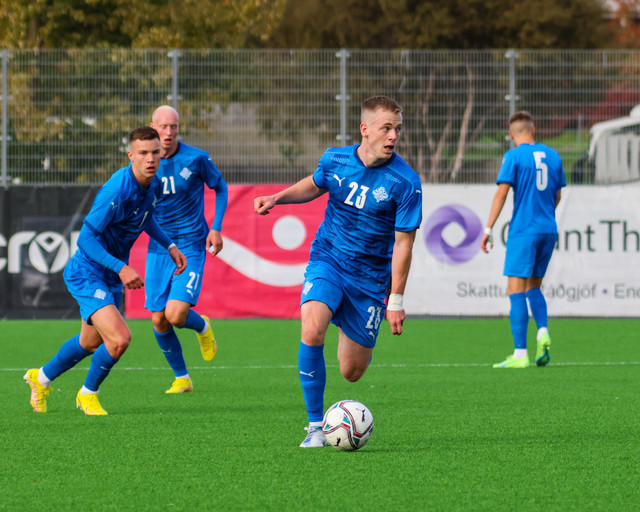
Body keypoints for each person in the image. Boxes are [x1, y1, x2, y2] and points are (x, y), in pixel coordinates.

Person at [254, 96, 423, 447]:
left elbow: (404, 244)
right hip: (329, 259)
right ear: (365, 129)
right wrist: (277, 198)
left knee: (352, 371)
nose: (393, 136)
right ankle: (315, 427)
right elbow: (316, 184)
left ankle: (348, 317)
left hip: (370, 280)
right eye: (386, 128)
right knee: (311, 328)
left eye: (397, 129)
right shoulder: (335, 159)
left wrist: (395, 300)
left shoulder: (406, 182)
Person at [24, 126, 187, 415]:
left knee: (89, 342)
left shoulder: (155, 184)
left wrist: (170, 245)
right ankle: (88, 394)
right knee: (120, 339)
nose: (150, 159)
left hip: (109, 275)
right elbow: (85, 239)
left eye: (155, 153)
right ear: (130, 155)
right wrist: (121, 267)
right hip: (87, 272)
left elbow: (145, 218)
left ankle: (41, 378)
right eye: (143, 153)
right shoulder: (117, 189)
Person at [146, 105, 228, 393]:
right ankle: (182, 378)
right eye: (163, 127)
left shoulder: (196, 158)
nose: (168, 132)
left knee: (176, 315)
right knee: (158, 319)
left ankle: (202, 326)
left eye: (174, 127)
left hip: (191, 244)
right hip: (159, 247)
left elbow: (221, 187)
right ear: (153, 128)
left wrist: (216, 227)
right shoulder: (145, 162)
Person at [481, 110, 566, 369]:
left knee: (515, 290)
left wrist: (488, 228)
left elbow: (501, 194)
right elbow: (558, 196)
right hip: (548, 229)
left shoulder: (514, 156)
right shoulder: (553, 155)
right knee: (534, 287)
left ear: (511, 134)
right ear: (533, 129)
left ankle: (520, 353)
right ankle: (543, 331)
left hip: (524, 230)